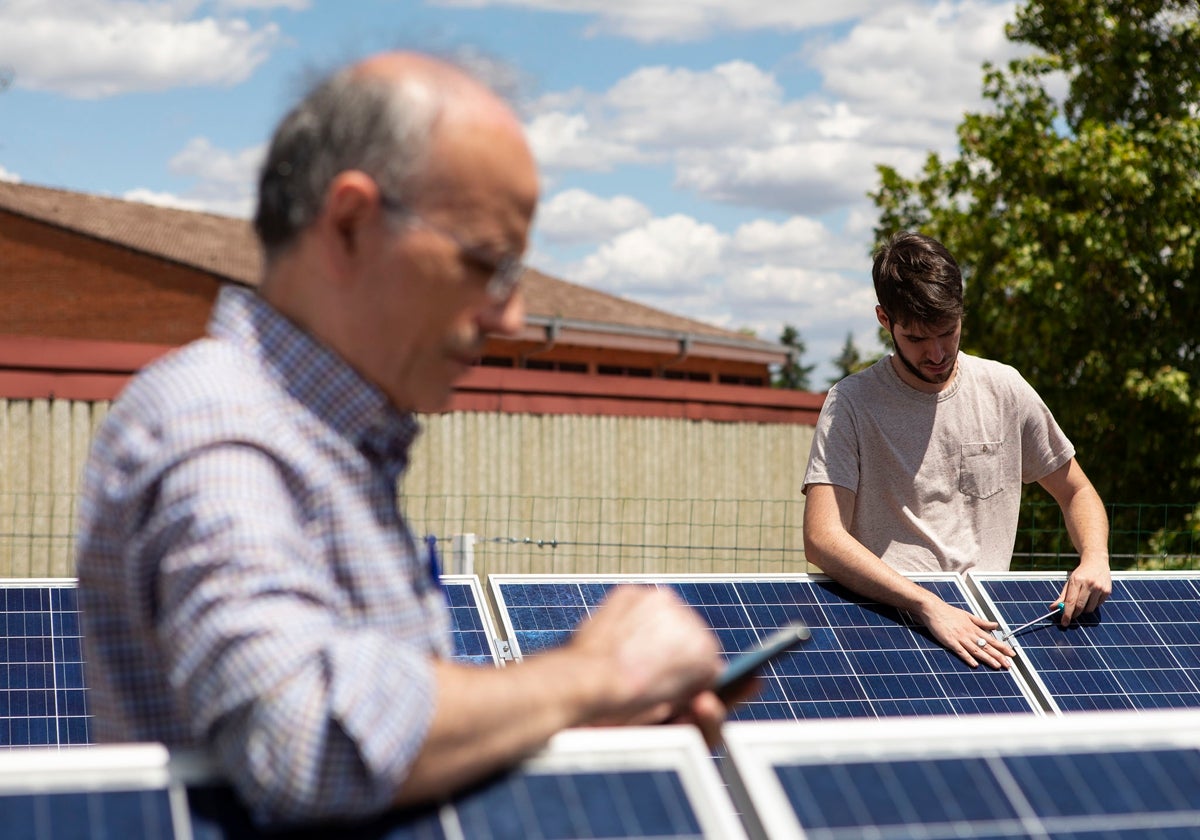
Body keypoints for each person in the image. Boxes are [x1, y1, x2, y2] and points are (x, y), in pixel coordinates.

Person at [74, 52, 728, 829]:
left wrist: (571, 718)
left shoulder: (323, 440)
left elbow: (373, 755)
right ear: (351, 223)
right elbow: (310, 741)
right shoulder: (217, 429)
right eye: (487, 263)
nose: (511, 317)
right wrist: (591, 675)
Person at [802, 231, 1111, 670]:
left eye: (948, 332)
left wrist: (1095, 557)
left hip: (986, 631)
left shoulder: (1005, 388)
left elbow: (1076, 491)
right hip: (891, 627)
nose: (937, 353)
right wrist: (927, 606)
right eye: (916, 338)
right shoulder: (851, 403)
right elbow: (822, 537)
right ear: (884, 320)